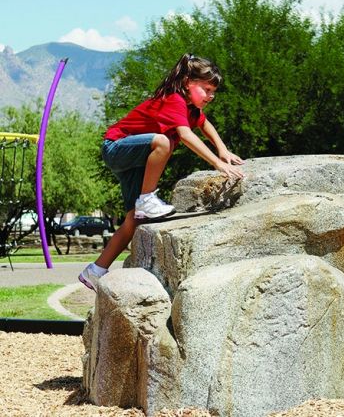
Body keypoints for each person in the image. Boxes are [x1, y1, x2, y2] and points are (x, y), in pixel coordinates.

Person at [78, 53, 244, 291]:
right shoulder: (174, 99)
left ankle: (95, 271)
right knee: (163, 143)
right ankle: (147, 199)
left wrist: (223, 150)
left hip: (136, 162)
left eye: (213, 91)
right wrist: (218, 164)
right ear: (188, 82)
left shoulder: (191, 109)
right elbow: (186, 136)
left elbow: (204, 125)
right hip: (115, 148)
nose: (210, 96)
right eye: (206, 89)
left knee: (133, 220)